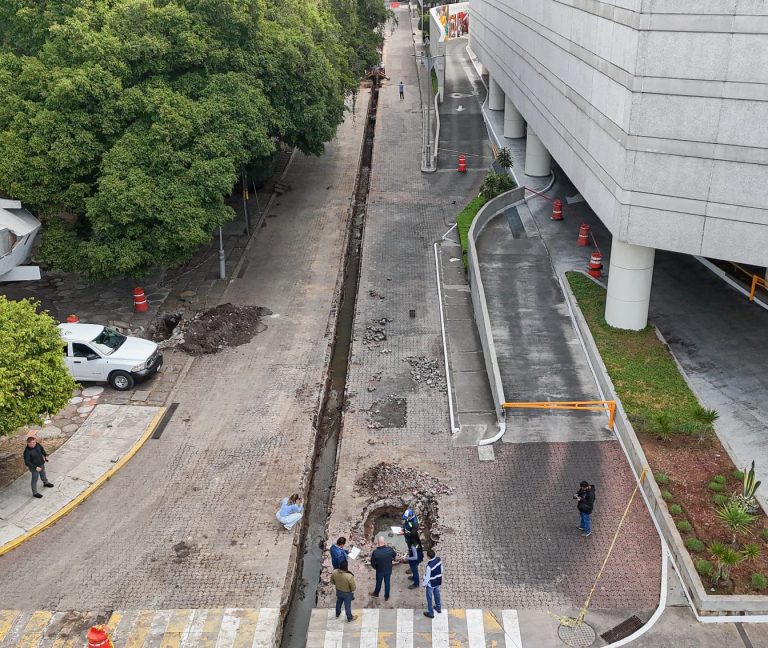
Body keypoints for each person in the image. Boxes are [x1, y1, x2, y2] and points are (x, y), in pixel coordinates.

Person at [370, 536, 397, 601]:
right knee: (387, 583)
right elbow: (394, 554)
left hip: (380, 570)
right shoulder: (389, 549)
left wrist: (376, 568)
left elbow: (372, 563)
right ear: (384, 542)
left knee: (378, 582)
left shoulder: (375, 552)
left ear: (378, 543)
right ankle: (386, 596)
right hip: (388, 569)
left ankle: (376, 593)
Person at [422, 549, 443, 618]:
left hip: (431, 584)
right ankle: (438, 607)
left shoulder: (429, 566)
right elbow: (441, 569)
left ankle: (431, 613)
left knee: (429, 598)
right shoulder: (439, 559)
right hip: (438, 581)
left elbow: (427, 578)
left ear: (428, 557)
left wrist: (424, 584)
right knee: (437, 594)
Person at [402, 508, 420, 574]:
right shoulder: (409, 517)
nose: (406, 518)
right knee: (410, 550)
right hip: (409, 539)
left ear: (411, 516)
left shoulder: (415, 523)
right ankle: (409, 559)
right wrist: (403, 529)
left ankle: (413, 568)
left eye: (407, 517)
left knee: (414, 554)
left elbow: (413, 534)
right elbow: (406, 524)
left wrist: (403, 533)